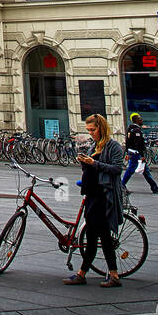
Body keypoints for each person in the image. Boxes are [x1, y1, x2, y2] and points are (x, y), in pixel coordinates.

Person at [63, 114, 125, 288]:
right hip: (91, 194)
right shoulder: (94, 146)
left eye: (93, 129)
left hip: (104, 196)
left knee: (100, 235)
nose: (91, 133)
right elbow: (90, 167)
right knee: (94, 235)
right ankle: (89, 274)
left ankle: (106, 275)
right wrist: (84, 162)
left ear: (102, 128)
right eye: (89, 130)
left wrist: (94, 163)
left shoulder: (113, 146)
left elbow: (117, 168)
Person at [122, 112, 158, 195]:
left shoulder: (130, 129)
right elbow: (138, 144)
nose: (141, 120)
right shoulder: (137, 130)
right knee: (130, 170)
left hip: (132, 152)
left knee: (145, 171)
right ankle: (121, 185)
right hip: (136, 154)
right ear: (136, 120)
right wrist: (142, 155)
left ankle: (154, 187)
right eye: (140, 119)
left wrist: (127, 152)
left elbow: (127, 142)